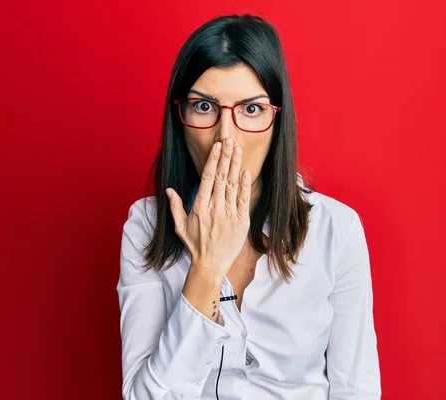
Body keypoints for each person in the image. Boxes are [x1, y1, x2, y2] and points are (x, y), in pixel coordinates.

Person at [117, 14, 381, 400]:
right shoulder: (146, 226)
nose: (226, 137)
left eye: (251, 110)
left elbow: (355, 390)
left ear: (277, 120)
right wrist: (206, 269)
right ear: (181, 117)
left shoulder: (335, 230)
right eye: (204, 107)